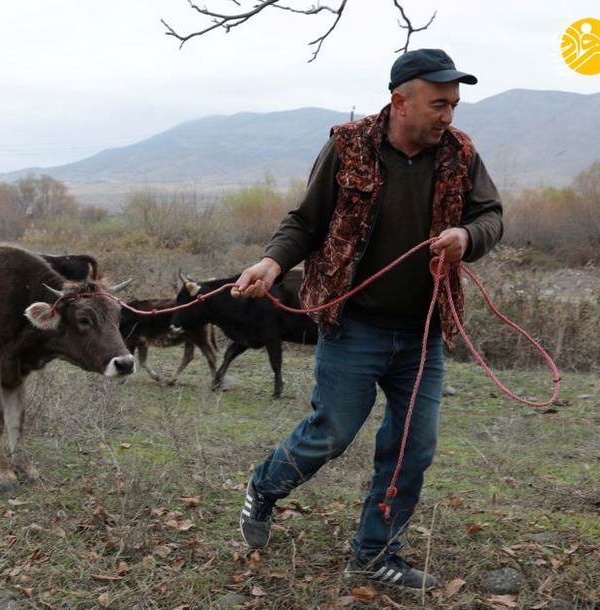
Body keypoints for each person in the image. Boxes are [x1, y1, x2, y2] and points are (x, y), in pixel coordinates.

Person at [232, 49, 503, 589]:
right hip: (354, 325)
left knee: (411, 446)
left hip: (423, 331)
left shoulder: (461, 153)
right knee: (330, 433)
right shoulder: (347, 146)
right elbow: (305, 221)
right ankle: (264, 488)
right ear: (400, 101)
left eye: (453, 104)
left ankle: (375, 555)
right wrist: (271, 261)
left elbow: (490, 215)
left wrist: (468, 237)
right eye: (438, 104)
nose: (449, 116)